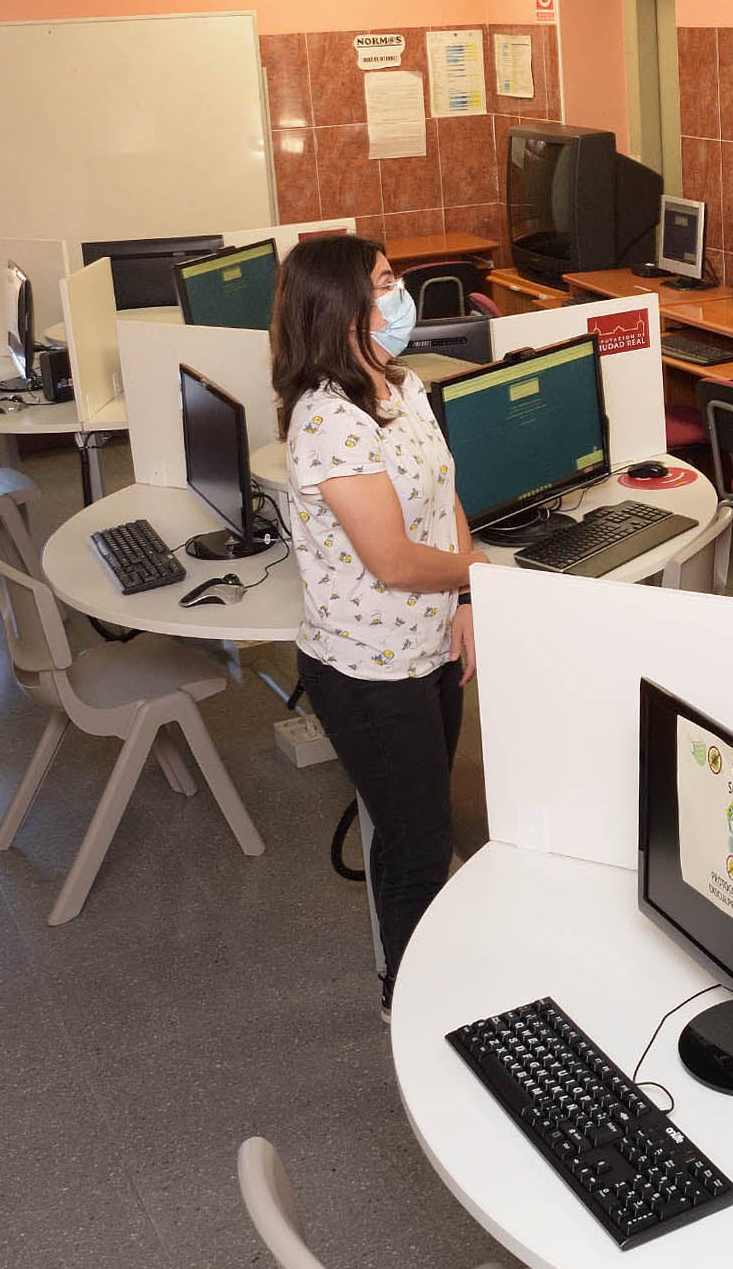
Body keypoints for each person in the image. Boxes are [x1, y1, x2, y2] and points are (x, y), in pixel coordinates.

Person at [272, 235, 488, 1019]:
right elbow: (394, 560)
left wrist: (465, 600)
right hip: (367, 672)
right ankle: (411, 997)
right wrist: (484, 575)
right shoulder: (326, 421)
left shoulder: (404, 386)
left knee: (428, 824)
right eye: (386, 283)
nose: (400, 295)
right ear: (340, 310)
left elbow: (444, 495)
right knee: (414, 841)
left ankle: (435, 971)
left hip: (429, 645)